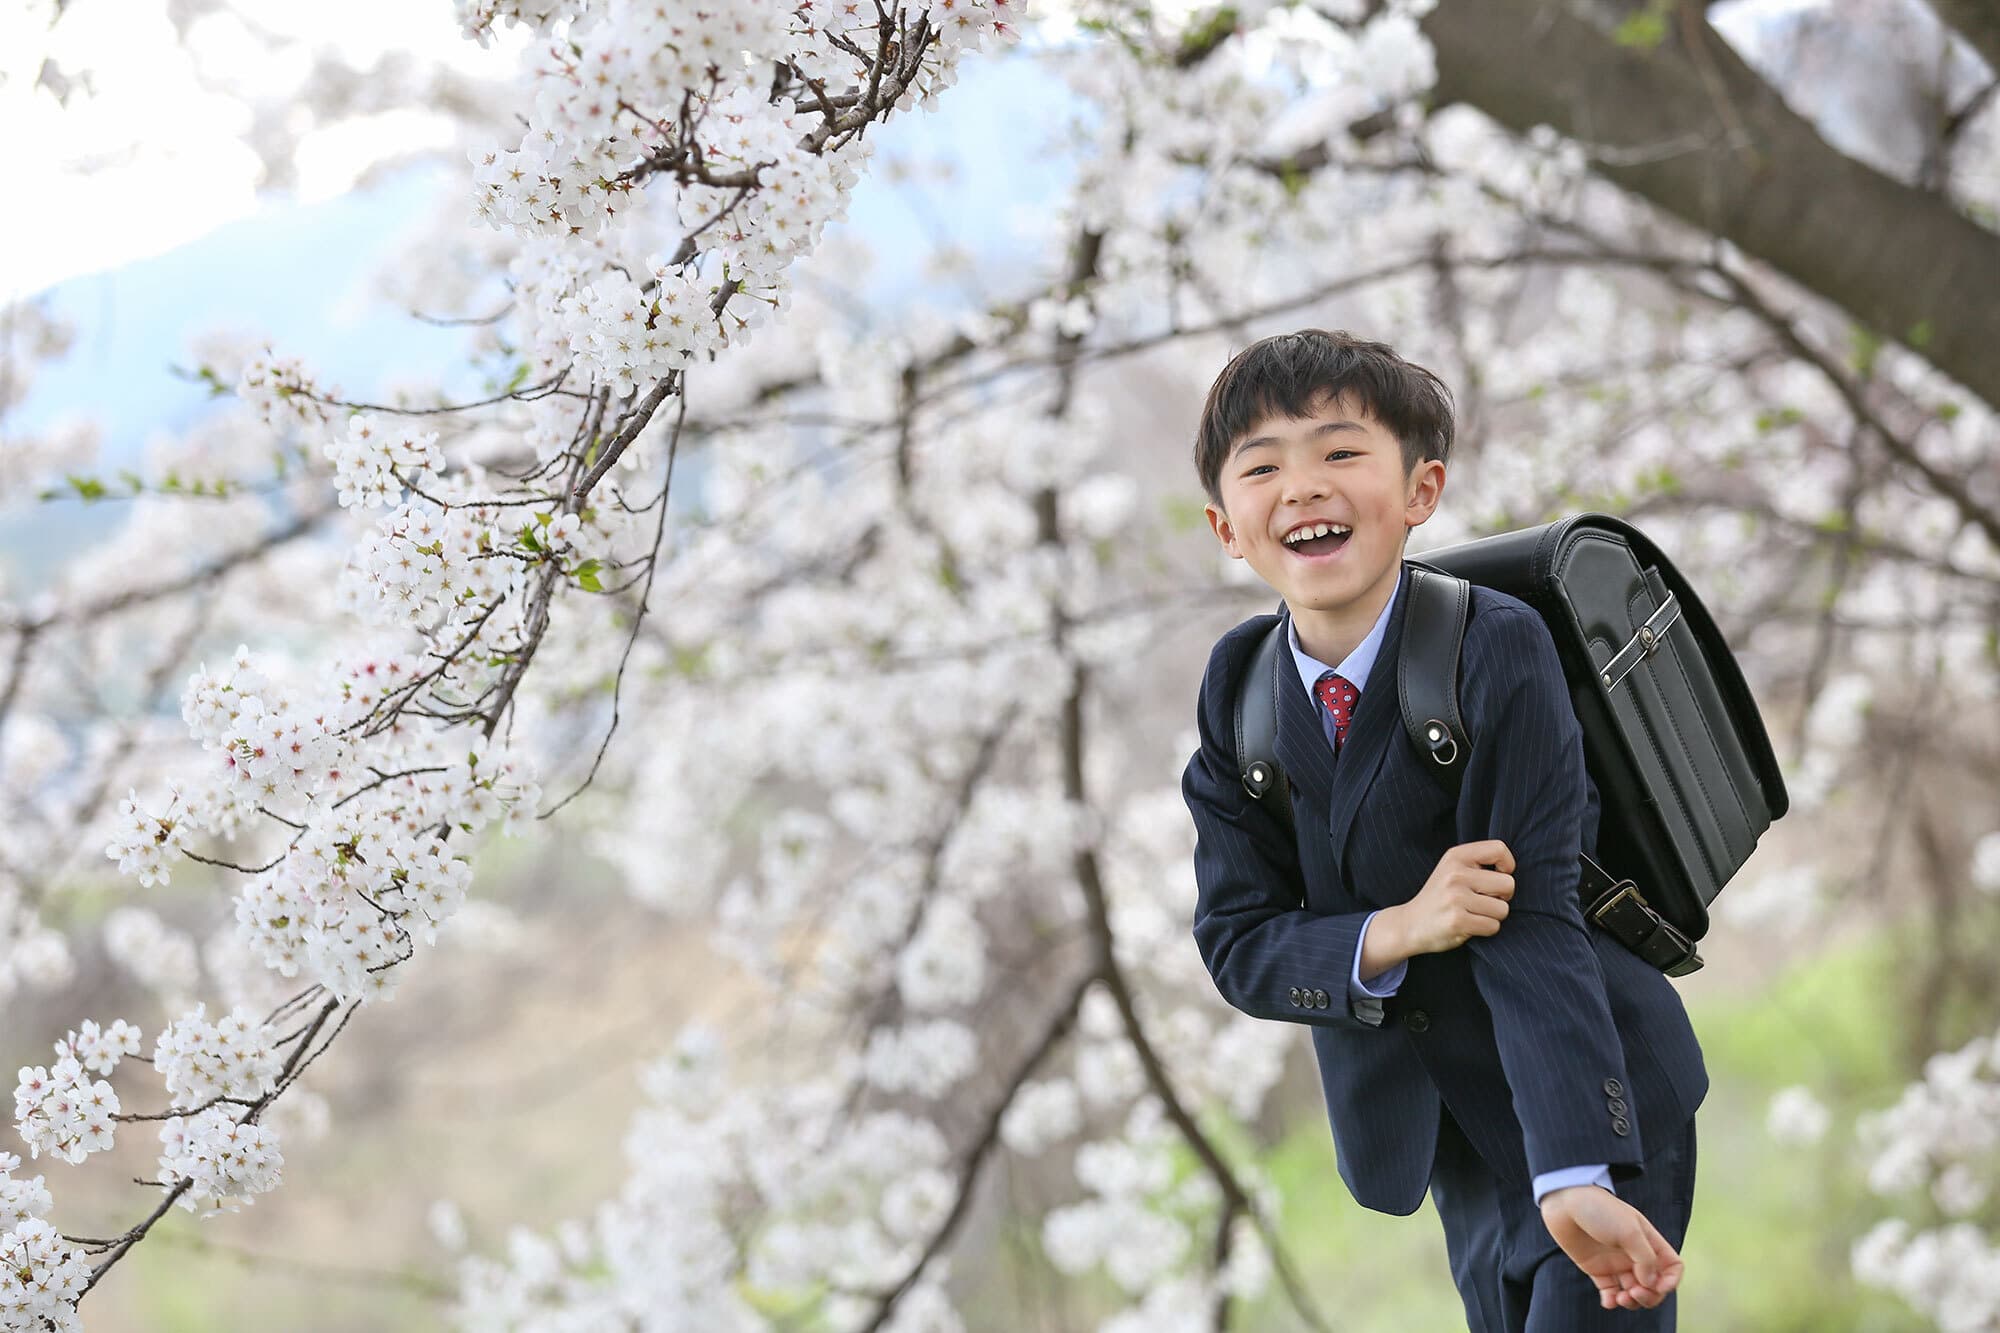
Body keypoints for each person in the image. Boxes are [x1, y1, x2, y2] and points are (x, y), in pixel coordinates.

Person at [1179, 329, 1707, 1330]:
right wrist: (1398, 928)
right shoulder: (1237, 690)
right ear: (1225, 525)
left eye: (1339, 453)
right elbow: (1235, 943)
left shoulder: (1488, 646)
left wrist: (1571, 1170)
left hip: (1592, 1097)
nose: (1301, 488)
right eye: (1262, 467)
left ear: (1419, 491)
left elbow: (1534, 918)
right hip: (1445, 1134)